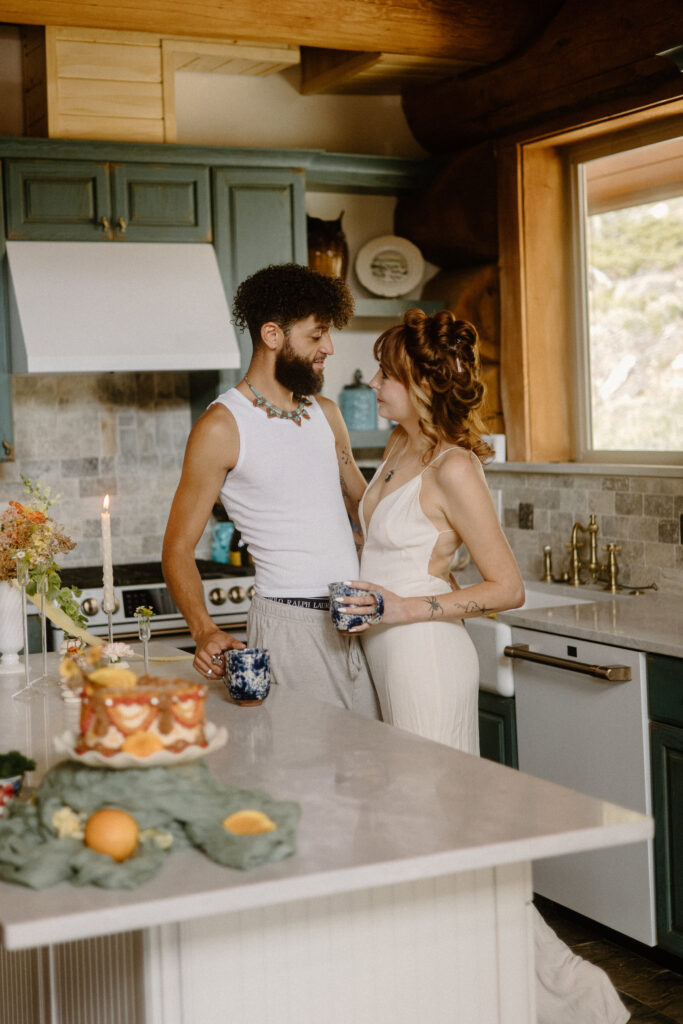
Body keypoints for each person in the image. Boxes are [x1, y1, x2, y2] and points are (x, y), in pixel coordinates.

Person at [338, 308, 629, 1024]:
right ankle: (455, 987)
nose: (374, 382)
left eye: (385, 373)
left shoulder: (454, 466)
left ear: (419, 382)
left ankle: (572, 996)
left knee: (445, 834)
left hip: (424, 657)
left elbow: (506, 586)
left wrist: (404, 608)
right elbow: (384, 543)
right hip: (383, 653)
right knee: (415, 831)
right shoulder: (398, 448)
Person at [162, 263, 379, 719]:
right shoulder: (221, 426)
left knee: (368, 771)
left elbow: (363, 506)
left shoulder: (325, 411)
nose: (329, 348)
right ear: (272, 335)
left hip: (360, 616)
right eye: (317, 335)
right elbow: (178, 548)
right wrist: (203, 629)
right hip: (291, 624)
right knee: (306, 774)